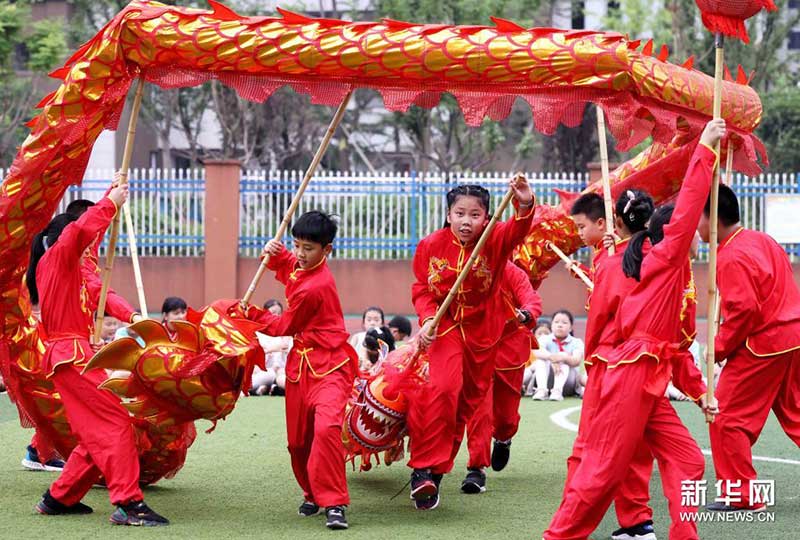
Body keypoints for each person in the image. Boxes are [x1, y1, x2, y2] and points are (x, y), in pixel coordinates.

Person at [543, 119, 725, 540]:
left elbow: (603, 327)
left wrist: (699, 394)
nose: (695, 236)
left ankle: (682, 533)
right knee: (602, 468)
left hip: (636, 371)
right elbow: (690, 203)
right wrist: (705, 149)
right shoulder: (662, 259)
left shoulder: (615, 262)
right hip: (630, 373)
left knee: (686, 457)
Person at [27, 181, 169, 526]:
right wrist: (110, 202)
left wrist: (134, 317)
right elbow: (79, 231)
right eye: (89, 244)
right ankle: (128, 503)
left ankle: (59, 498)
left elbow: (101, 291)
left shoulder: (75, 269)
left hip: (73, 356)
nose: (93, 247)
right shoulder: (58, 259)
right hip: (70, 356)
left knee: (96, 434)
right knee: (117, 423)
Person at [407, 177, 535, 510]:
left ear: (487, 217)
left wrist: (524, 203)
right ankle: (422, 469)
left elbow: (518, 231)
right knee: (442, 392)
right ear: (448, 214)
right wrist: (426, 320)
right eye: (460, 213)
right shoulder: (429, 246)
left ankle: (436, 472)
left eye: (475, 215)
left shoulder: (494, 242)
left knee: (465, 407)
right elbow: (421, 288)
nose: (467, 221)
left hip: (482, 334)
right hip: (446, 328)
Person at [245, 211, 357, 530]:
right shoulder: (303, 268)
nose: (301, 254)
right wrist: (279, 256)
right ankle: (312, 492)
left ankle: (335, 503)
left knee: (326, 431)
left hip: (330, 365)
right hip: (300, 366)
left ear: (327, 250)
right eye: (296, 245)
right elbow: (292, 269)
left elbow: (285, 324)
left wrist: (251, 315)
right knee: (297, 442)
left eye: (308, 248)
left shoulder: (317, 286)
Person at [698, 184, 800, 511]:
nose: (692, 225)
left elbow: (744, 311)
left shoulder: (729, 255)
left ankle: (742, 494)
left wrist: (717, 349)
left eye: (696, 217)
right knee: (796, 414)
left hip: (764, 343)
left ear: (712, 218)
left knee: (724, 414)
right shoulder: (762, 239)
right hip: (792, 336)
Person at [568, 189, 659, 540]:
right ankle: (638, 524)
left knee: (592, 448)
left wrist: (591, 359)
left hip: (613, 363)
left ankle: (566, 527)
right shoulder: (663, 257)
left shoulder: (612, 262)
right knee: (637, 448)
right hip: (652, 362)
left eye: (580, 227)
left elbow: (601, 317)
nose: (578, 234)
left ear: (613, 221)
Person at [463, 261, 541, 493]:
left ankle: (504, 438)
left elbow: (530, 297)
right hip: (477, 347)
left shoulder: (511, 271)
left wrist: (527, 314)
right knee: (479, 410)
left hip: (509, 348)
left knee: (506, 417)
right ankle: (476, 469)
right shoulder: (465, 266)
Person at [529, 310, 583, 401]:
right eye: (556, 322)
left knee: (563, 356)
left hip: (569, 383)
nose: (560, 325)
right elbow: (537, 352)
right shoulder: (544, 339)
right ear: (552, 325)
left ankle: (557, 391)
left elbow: (576, 361)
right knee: (541, 361)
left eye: (564, 323)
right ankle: (542, 390)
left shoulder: (577, 342)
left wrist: (562, 357)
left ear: (570, 328)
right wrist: (552, 358)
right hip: (548, 379)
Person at [253, 300, 291, 396]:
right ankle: (266, 388)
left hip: (283, 372)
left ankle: (272, 388)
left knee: (282, 377)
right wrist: (272, 349)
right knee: (268, 375)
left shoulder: (287, 333)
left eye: (279, 313)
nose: (276, 316)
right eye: (273, 313)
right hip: (265, 371)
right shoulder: (259, 334)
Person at [523, 320, 552, 396]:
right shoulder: (530, 350)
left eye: (546, 333)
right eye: (539, 333)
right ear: (534, 335)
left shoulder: (552, 349)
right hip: (530, 378)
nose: (543, 336)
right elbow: (527, 369)